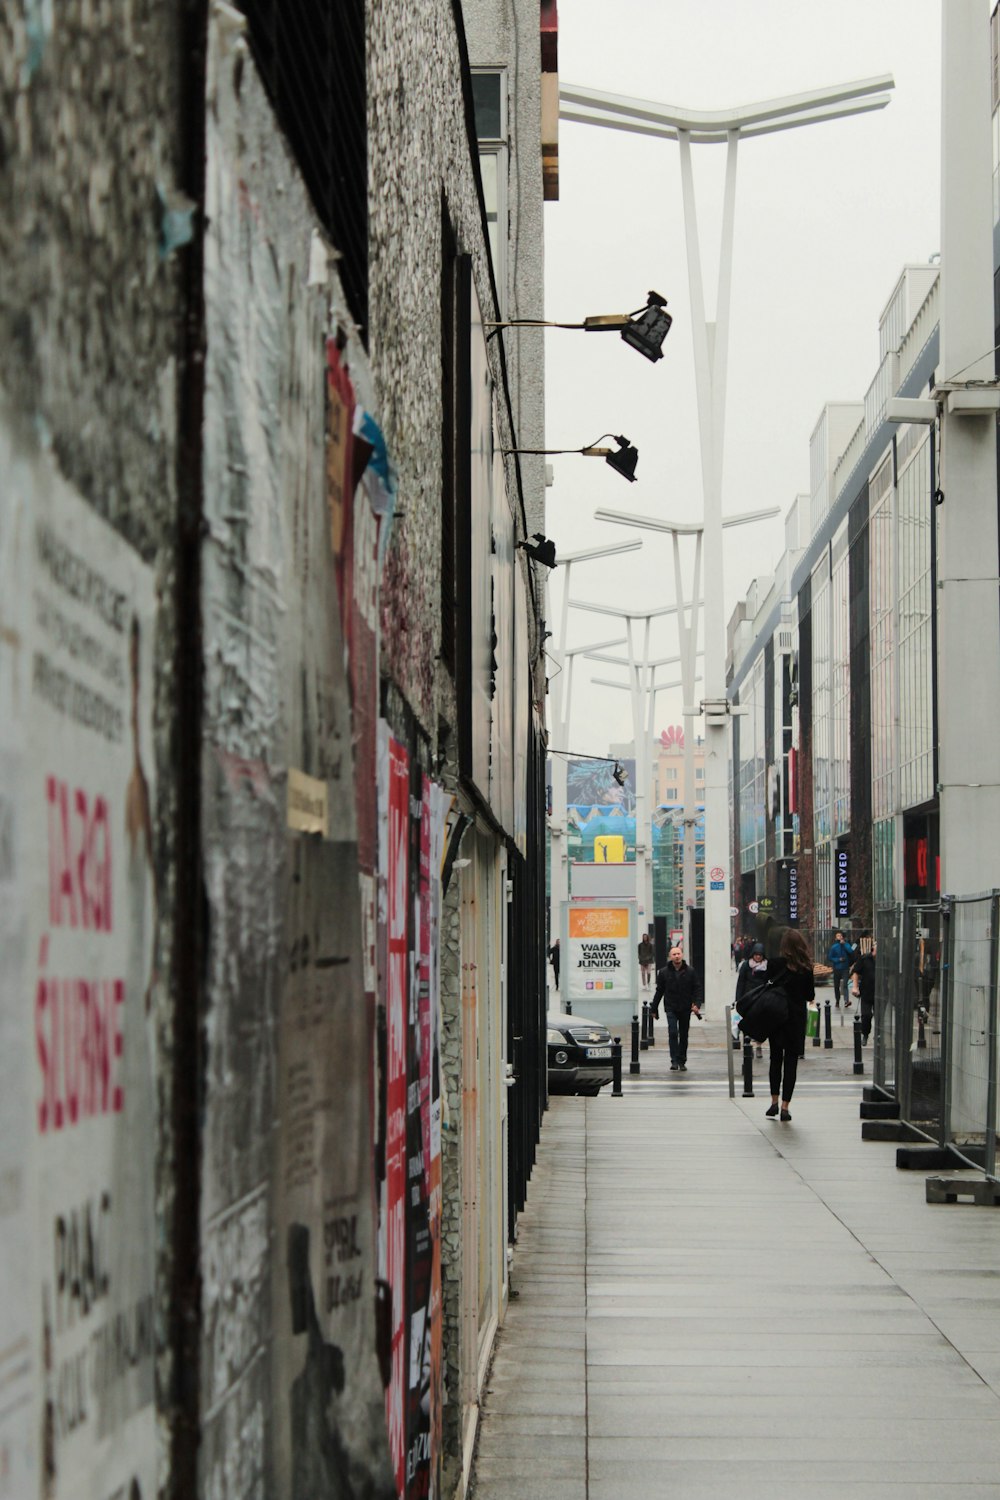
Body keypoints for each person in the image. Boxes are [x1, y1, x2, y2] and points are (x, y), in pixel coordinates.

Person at [764, 928, 816, 1122]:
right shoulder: (806, 968)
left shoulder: (774, 964)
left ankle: (774, 1102)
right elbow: (809, 995)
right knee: (791, 1062)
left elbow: (765, 986)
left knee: (775, 1059)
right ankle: (786, 1107)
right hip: (795, 1019)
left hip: (776, 1017)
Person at [651, 946, 702, 1072]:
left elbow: (697, 989)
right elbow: (659, 991)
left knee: (684, 1035)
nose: (677, 956)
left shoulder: (690, 971)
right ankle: (674, 1060)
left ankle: (682, 1060)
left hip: (685, 1007)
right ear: (670, 956)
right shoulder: (663, 972)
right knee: (673, 1033)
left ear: (682, 955)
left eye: (678, 953)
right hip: (671, 1007)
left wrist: (697, 1004)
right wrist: (654, 1008)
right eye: (674, 954)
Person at [735, 942, 768, 1059]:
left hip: (761, 998)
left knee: (761, 1023)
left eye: (760, 955)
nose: (758, 957)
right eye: (756, 954)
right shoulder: (746, 965)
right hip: (748, 998)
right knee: (747, 1022)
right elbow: (741, 982)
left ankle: (758, 1046)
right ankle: (747, 1045)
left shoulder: (767, 966)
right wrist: (738, 999)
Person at [850, 941, 876, 1044]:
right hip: (866, 991)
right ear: (873, 948)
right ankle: (865, 1034)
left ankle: (878, 1035)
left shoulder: (885, 959)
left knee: (879, 1016)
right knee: (866, 1015)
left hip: (881, 993)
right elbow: (855, 972)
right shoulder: (865, 958)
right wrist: (855, 987)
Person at [826, 929, 856, 1008]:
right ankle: (837, 1000)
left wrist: (844, 945)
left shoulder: (846, 945)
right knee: (836, 986)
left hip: (845, 968)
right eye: (838, 936)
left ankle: (846, 1000)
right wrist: (838, 960)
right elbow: (830, 957)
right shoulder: (834, 947)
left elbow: (851, 951)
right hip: (837, 968)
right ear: (836, 938)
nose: (839, 937)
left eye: (840, 936)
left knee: (845, 984)